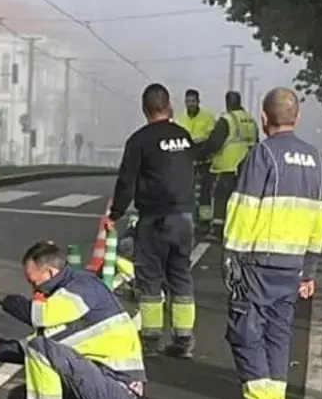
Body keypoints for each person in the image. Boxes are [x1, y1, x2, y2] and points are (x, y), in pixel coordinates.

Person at [222, 87, 322, 399]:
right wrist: (309, 270)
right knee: (278, 335)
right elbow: (320, 220)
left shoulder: (262, 154)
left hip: (258, 263)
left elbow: (244, 207)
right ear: (296, 118)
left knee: (245, 331)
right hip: (293, 265)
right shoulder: (316, 159)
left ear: (264, 118)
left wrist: (232, 257)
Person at [0, 239, 145, 399]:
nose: (33, 287)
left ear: (50, 271)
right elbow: (30, 347)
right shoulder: (66, 294)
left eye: (33, 279)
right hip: (101, 381)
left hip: (117, 387)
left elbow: (38, 319)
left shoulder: (80, 289)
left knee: (40, 349)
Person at [108, 82, 197, 356]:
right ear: (169, 105)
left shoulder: (139, 140)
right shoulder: (184, 137)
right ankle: (183, 339)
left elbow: (127, 182)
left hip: (155, 219)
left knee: (150, 279)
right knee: (181, 276)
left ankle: (150, 338)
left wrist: (115, 214)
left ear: (144, 109)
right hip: (184, 218)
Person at [203, 90, 259, 236]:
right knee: (243, 200)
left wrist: (203, 153)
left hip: (228, 166)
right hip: (248, 168)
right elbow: (256, 143)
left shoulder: (227, 119)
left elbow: (214, 143)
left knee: (220, 197)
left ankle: (217, 230)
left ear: (227, 103)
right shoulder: (250, 120)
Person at [181, 88, 218, 232]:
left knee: (205, 193)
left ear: (198, 101)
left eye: (193, 101)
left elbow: (209, 139)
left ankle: (204, 222)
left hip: (204, 161)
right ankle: (190, 219)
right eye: (188, 101)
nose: (190, 104)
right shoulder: (181, 119)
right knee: (186, 192)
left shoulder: (207, 118)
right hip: (187, 161)